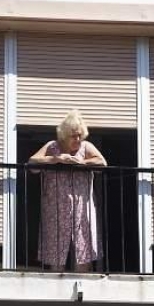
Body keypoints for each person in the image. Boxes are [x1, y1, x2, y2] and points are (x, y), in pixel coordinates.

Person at [28, 110, 107, 272]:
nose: (77, 139)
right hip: (56, 209)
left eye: (79, 135)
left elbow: (102, 163)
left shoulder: (86, 147)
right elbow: (31, 163)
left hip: (82, 210)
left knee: (83, 254)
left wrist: (82, 162)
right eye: (73, 136)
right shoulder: (52, 146)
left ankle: (83, 288)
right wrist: (56, 159)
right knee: (55, 258)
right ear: (64, 135)